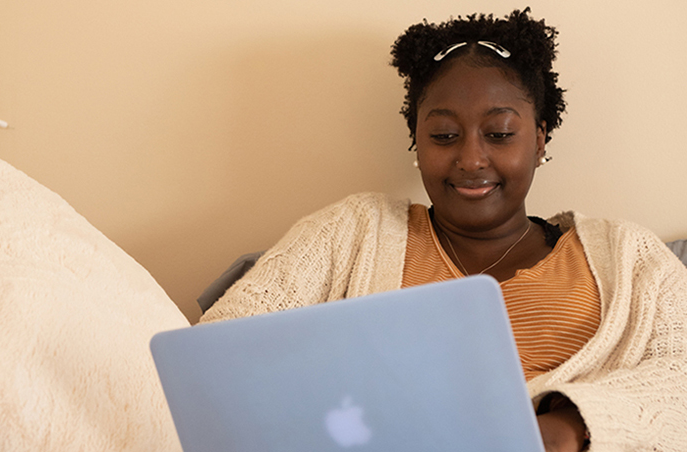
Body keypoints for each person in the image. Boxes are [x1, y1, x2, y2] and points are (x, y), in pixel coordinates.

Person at [200, 8, 687, 452]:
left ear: (540, 139)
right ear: (416, 140)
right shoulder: (351, 232)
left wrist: (574, 424)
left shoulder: (625, 254)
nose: (471, 159)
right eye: (444, 136)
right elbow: (218, 352)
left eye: (499, 134)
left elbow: (679, 372)